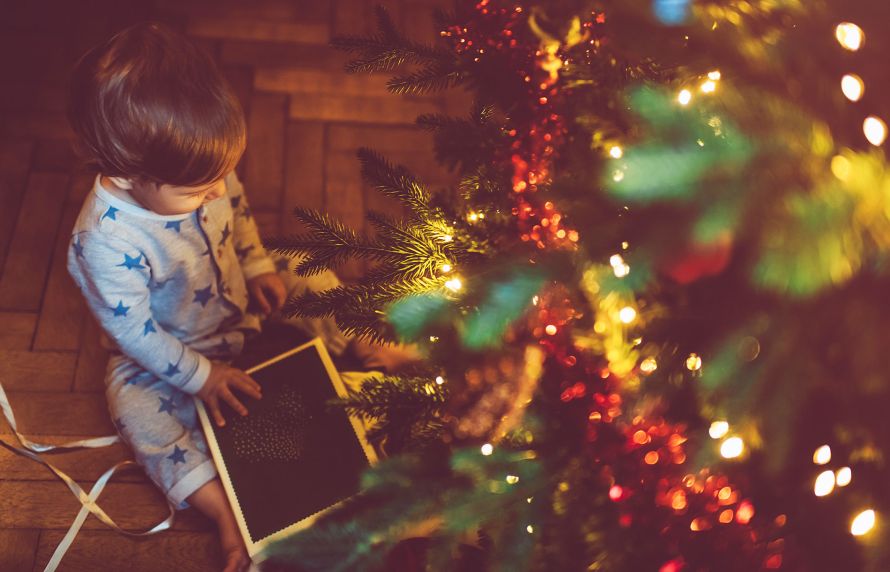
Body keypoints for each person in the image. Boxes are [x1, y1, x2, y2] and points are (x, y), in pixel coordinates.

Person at [65, 21, 415, 572]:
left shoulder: (199, 164)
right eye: (199, 191)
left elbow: (241, 211)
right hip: (175, 348)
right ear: (129, 172)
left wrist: (254, 264)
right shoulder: (104, 242)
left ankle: (363, 344)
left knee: (300, 264)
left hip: (239, 294)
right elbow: (133, 333)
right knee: (133, 410)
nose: (216, 191)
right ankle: (227, 513)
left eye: (220, 179)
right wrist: (201, 377)